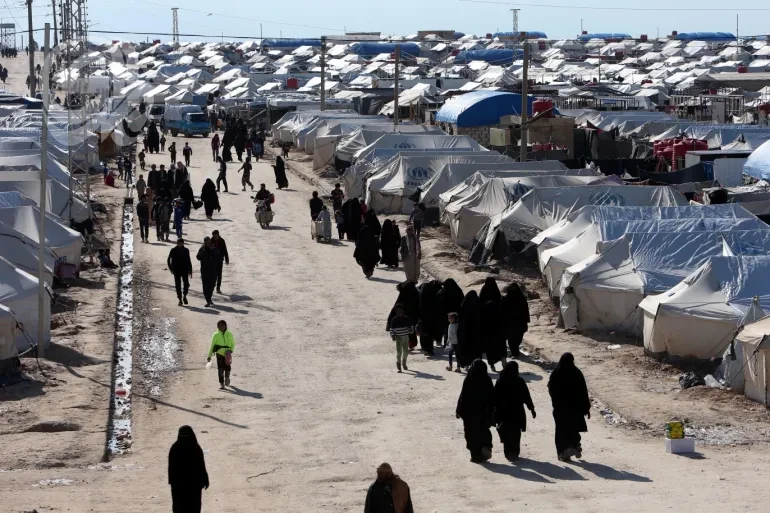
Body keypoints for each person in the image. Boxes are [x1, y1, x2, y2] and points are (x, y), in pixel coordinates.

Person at [548, 352, 591, 462]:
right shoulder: (576, 373)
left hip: (560, 409)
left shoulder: (556, 373)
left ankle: (563, 453)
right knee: (573, 427)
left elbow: (551, 389)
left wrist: (556, 403)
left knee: (561, 430)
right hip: (575, 408)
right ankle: (575, 445)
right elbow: (583, 391)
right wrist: (586, 408)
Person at [494, 361, 536, 461]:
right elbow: (526, 396)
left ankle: (508, 452)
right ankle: (515, 452)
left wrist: (493, 410)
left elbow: (494, 397)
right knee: (516, 433)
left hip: (503, 412)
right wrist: (531, 409)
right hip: (517, 412)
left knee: (506, 431)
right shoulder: (519, 381)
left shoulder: (501, 380)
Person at [456, 359, 495, 463]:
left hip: (469, 414)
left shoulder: (469, 379)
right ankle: (485, 447)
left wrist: (459, 410)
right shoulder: (487, 379)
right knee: (483, 432)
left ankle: (475, 455)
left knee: (471, 434)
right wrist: (493, 411)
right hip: (483, 413)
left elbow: (463, 396)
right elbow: (492, 397)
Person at [168, 425, 209, 513]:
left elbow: (201, 465)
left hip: (182, 486)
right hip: (191, 485)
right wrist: (205, 479)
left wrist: (172, 483)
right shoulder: (195, 447)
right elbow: (201, 466)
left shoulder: (175, 448)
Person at [479, 277, 506, 372]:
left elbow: (480, 306)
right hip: (498, 325)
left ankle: (492, 365)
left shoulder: (483, 291)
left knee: (489, 346)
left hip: (487, 325)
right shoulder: (496, 291)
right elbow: (501, 306)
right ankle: (503, 359)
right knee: (500, 344)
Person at [386, 281, 420, 351]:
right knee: (411, 329)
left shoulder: (403, 293)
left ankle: (406, 344)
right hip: (412, 315)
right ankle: (411, 344)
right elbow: (419, 304)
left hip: (403, 315)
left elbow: (395, 308)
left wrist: (389, 322)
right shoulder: (415, 292)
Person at [501, 283, 530, 358]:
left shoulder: (506, 299)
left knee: (511, 340)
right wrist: (526, 321)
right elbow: (526, 312)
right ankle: (515, 352)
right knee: (517, 339)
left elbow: (502, 311)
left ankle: (514, 352)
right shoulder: (522, 299)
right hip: (520, 324)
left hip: (510, 324)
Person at [206, 319, 235, 388]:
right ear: (217, 327)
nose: (221, 327)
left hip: (227, 354)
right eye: (219, 326)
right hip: (219, 354)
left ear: (225, 326)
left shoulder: (229, 334)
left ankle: (227, 377)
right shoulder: (215, 335)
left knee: (228, 368)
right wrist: (209, 355)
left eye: (223, 325)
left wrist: (231, 350)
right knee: (220, 369)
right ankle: (221, 383)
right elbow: (212, 345)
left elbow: (233, 343)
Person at [457, 291, 482, 370]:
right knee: (475, 348)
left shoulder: (464, 304)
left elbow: (460, 317)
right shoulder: (478, 303)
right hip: (476, 331)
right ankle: (476, 365)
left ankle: (466, 364)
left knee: (466, 348)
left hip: (465, 331)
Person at [388, 303, 415, 373]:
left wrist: (411, 330)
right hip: (398, 338)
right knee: (399, 352)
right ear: (396, 312)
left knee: (406, 351)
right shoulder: (394, 320)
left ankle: (404, 362)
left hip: (405, 337)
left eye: (400, 311)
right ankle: (399, 363)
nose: (399, 312)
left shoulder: (406, 319)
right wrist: (393, 336)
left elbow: (411, 327)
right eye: (397, 311)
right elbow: (392, 330)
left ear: (402, 311)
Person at [168, 238, 193, 306]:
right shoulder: (173, 250)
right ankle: (180, 299)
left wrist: (190, 270)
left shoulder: (186, 250)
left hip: (184, 270)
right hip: (176, 270)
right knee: (178, 285)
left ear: (183, 243)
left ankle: (184, 296)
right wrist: (170, 268)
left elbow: (188, 260)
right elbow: (169, 259)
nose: (180, 244)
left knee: (186, 284)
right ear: (177, 243)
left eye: (181, 243)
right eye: (179, 243)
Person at [197, 237, 221, 307]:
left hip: (213, 270)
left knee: (212, 285)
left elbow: (218, 257)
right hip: (205, 270)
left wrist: (214, 250)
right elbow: (198, 257)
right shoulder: (202, 249)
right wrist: (204, 252)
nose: (208, 243)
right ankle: (208, 300)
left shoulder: (214, 248)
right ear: (204, 242)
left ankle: (209, 298)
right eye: (207, 242)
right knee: (205, 286)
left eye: (209, 241)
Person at [211, 230, 229, 294]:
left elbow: (225, 249)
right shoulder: (211, 241)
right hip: (212, 260)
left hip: (220, 259)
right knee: (213, 274)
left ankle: (218, 288)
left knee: (219, 275)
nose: (216, 237)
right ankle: (212, 286)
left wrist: (226, 258)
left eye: (216, 235)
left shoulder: (222, 241)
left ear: (218, 235)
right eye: (214, 236)